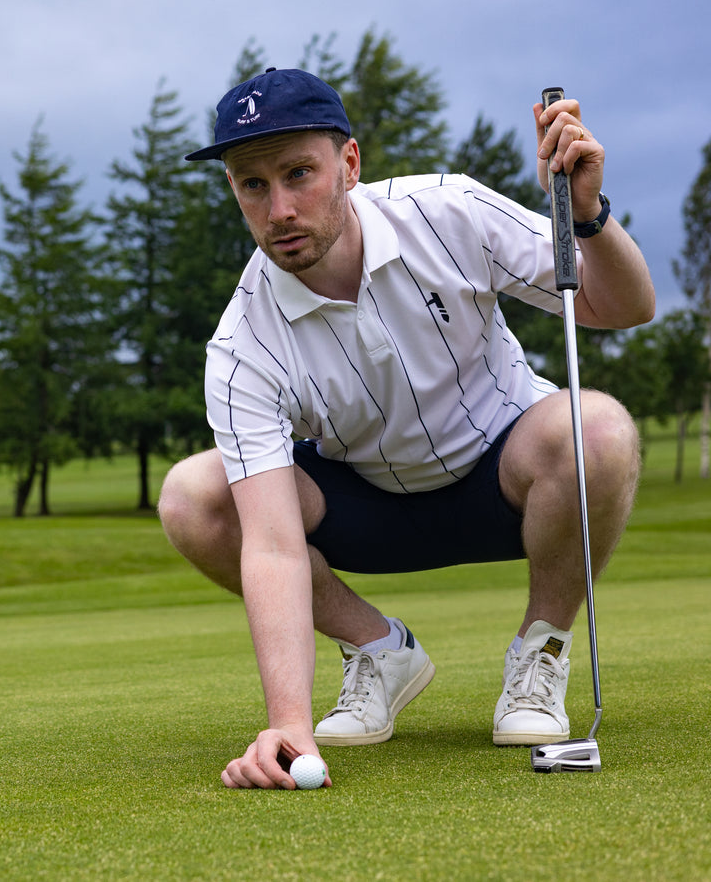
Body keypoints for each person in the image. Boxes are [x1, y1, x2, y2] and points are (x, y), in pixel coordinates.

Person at [157, 68, 654, 790]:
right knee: (190, 496)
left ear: (349, 164)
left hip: (506, 481)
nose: (279, 208)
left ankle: (539, 653)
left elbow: (621, 305)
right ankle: (377, 649)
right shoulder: (241, 344)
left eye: (299, 173)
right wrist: (289, 723)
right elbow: (269, 545)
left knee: (599, 428)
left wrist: (585, 218)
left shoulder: (448, 212)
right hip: (365, 508)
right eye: (251, 184)